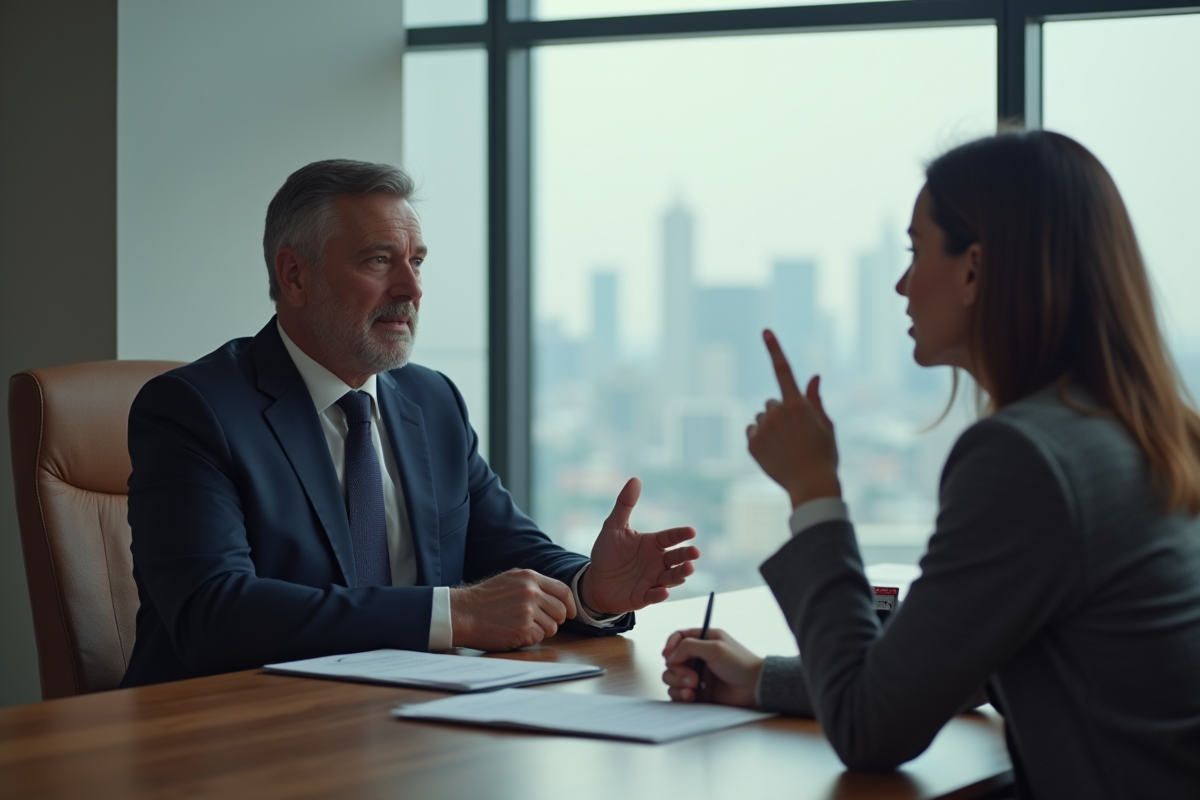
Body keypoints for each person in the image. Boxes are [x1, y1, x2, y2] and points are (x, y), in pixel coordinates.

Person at [661, 131, 1200, 798]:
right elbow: (958, 668)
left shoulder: (1024, 459)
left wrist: (813, 490)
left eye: (916, 252)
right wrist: (762, 679)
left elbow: (870, 729)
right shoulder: (1146, 434)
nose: (901, 282)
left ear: (974, 269)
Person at [121, 159, 700, 688]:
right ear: (294, 276)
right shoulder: (194, 410)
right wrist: (456, 614)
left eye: (416, 262)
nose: (412, 289)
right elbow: (213, 615)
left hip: (405, 722)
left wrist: (589, 590)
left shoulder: (431, 399)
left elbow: (507, 551)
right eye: (379, 260)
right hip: (230, 737)